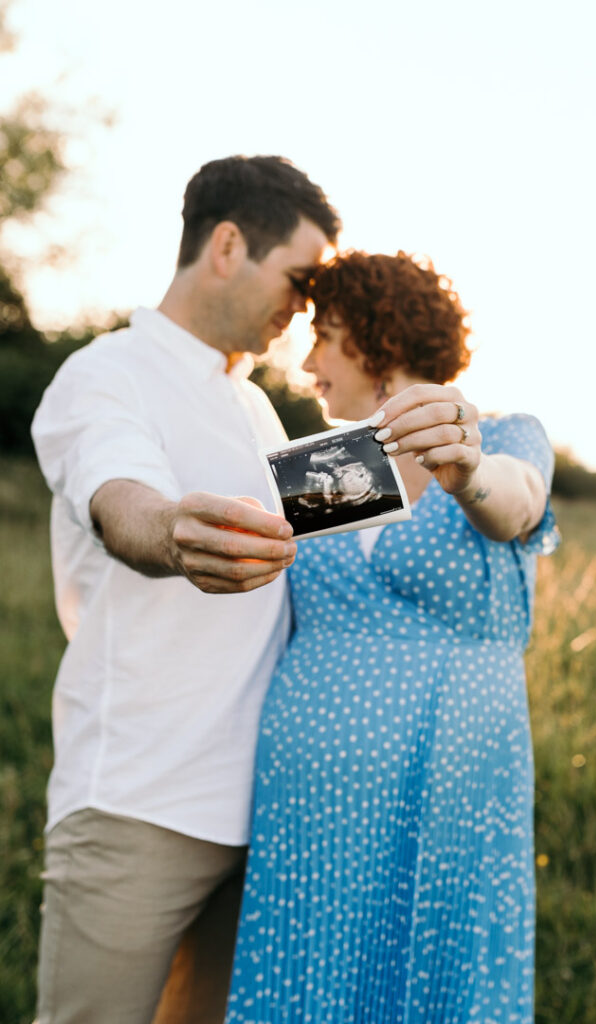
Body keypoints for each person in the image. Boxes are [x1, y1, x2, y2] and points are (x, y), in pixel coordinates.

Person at [30, 155, 340, 1024]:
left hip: (258, 811)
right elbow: (120, 501)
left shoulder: (257, 409)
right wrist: (173, 533)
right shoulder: (104, 373)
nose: (303, 306)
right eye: (299, 279)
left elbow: (377, 491)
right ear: (229, 244)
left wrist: (460, 429)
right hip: (138, 806)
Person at [227, 251, 560, 1022]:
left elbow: (515, 506)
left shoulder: (504, 436)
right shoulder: (340, 466)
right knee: (312, 972)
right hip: (309, 793)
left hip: (449, 775)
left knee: (433, 963)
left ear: (379, 341)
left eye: (326, 336)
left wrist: (466, 469)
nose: (309, 362)